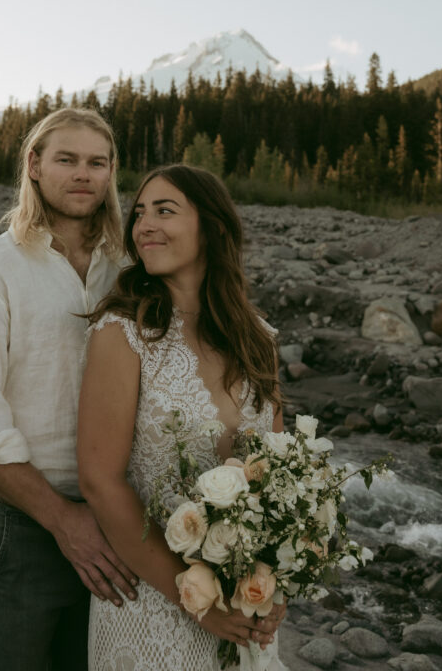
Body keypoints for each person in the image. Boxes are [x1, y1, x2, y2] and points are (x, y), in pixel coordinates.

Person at [0, 107, 138, 671]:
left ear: (111, 173)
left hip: (123, 525)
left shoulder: (128, 268)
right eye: (66, 159)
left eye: (97, 163)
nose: (83, 174)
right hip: (24, 531)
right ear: (34, 165)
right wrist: (64, 521)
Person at [78, 164, 288, 671]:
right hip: (150, 603)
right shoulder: (122, 335)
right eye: (140, 213)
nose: (145, 224)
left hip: (244, 606)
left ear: (211, 227)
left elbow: (281, 471)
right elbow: (101, 482)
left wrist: (276, 584)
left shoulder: (257, 337)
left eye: (165, 210)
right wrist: (194, 600)